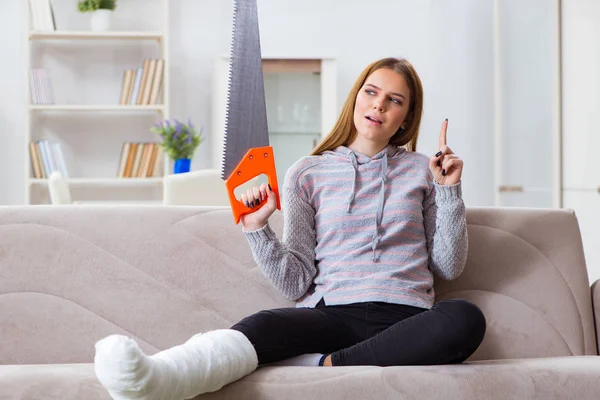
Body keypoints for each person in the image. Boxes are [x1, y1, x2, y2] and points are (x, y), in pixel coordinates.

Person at [93, 57, 486, 400]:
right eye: (371, 92)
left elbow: (448, 266)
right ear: (356, 97)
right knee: (263, 323)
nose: (378, 105)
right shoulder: (306, 173)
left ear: (406, 117)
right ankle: (155, 378)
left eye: (394, 100)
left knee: (465, 319)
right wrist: (256, 228)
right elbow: (297, 282)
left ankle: (327, 365)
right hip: (333, 315)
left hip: (405, 318)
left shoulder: (423, 170)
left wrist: (449, 190)